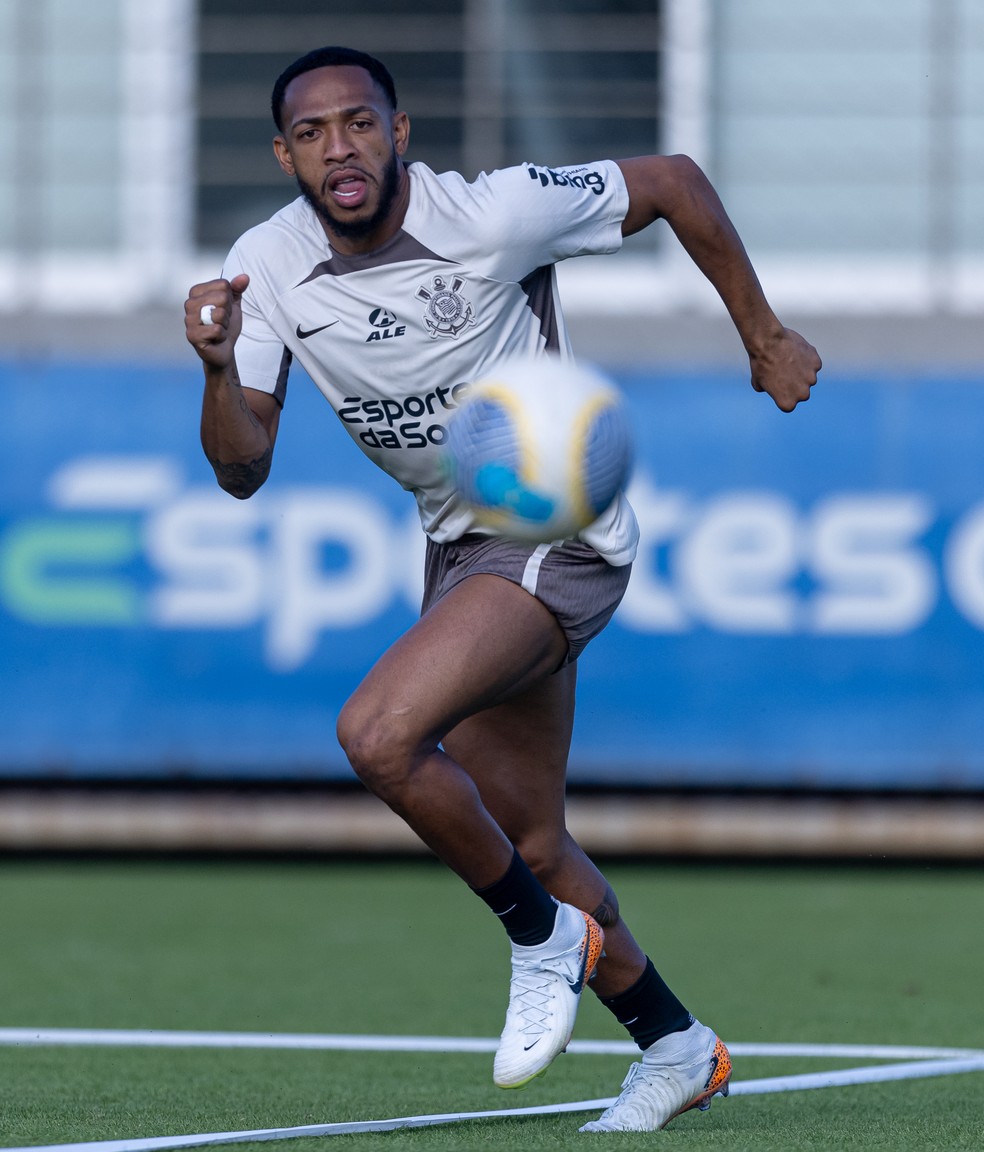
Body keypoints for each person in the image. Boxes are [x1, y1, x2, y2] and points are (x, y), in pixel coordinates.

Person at [185, 45, 821, 1132]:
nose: (340, 146)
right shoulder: (266, 265)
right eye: (313, 132)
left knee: (380, 736)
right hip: (461, 550)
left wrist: (761, 336)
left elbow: (671, 179)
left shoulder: (493, 213)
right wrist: (213, 365)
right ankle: (675, 1044)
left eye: (360, 123)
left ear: (402, 132)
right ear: (284, 154)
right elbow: (243, 470)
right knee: (528, 842)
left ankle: (541, 939)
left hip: (552, 530)